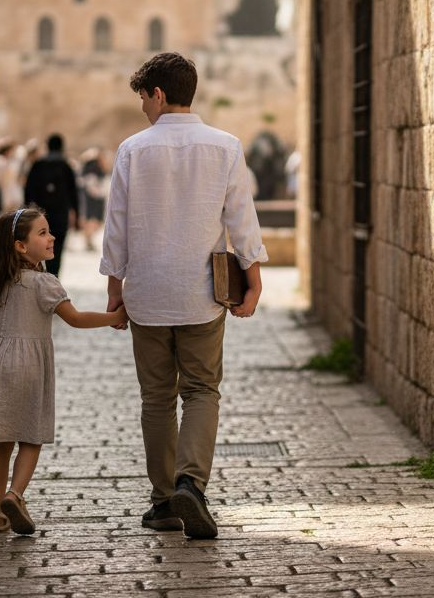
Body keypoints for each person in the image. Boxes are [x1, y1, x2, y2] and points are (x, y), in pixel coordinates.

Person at [100, 52, 267, 539]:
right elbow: (241, 219)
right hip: (202, 293)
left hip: (147, 293)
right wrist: (254, 280)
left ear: (157, 94)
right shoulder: (226, 146)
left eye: (143, 98)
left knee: (156, 398)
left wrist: (114, 290)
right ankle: (190, 483)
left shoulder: (133, 150)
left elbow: (116, 227)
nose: (142, 109)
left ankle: (163, 502)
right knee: (201, 390)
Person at [0, 206, 127, 535]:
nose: (52, 237)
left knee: (1, 442)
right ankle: (15, 495)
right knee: (31, 437)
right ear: (20, 246)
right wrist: (115, 317)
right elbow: (75, 319)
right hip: (29, 367)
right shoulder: (45, 283)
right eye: (43, 233)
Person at [22, 134, 78, 276]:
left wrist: (27, 211)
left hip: (41, 215)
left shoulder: (38, 164)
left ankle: (39, 277)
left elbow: (28, 189)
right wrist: (76, 215)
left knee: (37, 245)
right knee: (57, 248)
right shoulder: (66, 166)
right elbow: (74, 193)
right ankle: (53, 277)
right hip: (60, 215)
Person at [77, 147, 107, 251]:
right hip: (93, 200)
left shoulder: (88, 170)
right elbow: (92, 186)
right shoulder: (93, 169)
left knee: (92, 221)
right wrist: (101, 193)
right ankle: (88, 241)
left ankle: (88, 241)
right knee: (92, 220)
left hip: (91, 199)